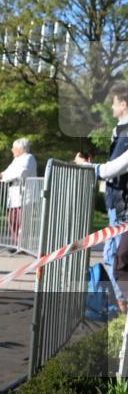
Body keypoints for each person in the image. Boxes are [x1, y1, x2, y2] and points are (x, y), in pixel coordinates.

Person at [76, 82, 128, 311]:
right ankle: (122, 305)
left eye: (114, 103)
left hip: (123, 206)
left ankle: (123, 306)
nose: (111, 107)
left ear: (124, 104)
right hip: (118, 204)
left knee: (115, 257)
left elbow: (111, 170)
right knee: (114, 257)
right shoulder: (120, 132)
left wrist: (87, 167)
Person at [0, 137, 37, 249]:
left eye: (14, 148)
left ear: (21, 149)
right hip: (15, 197)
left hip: (25, 196)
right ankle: (17, 244)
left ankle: (22, 246)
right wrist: (1, 174)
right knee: (12, 221)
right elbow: (8, 171)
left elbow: (21, 172)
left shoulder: (29, 158)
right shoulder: (16, 159)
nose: (12, 150)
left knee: (23, 223)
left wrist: (3, 177)